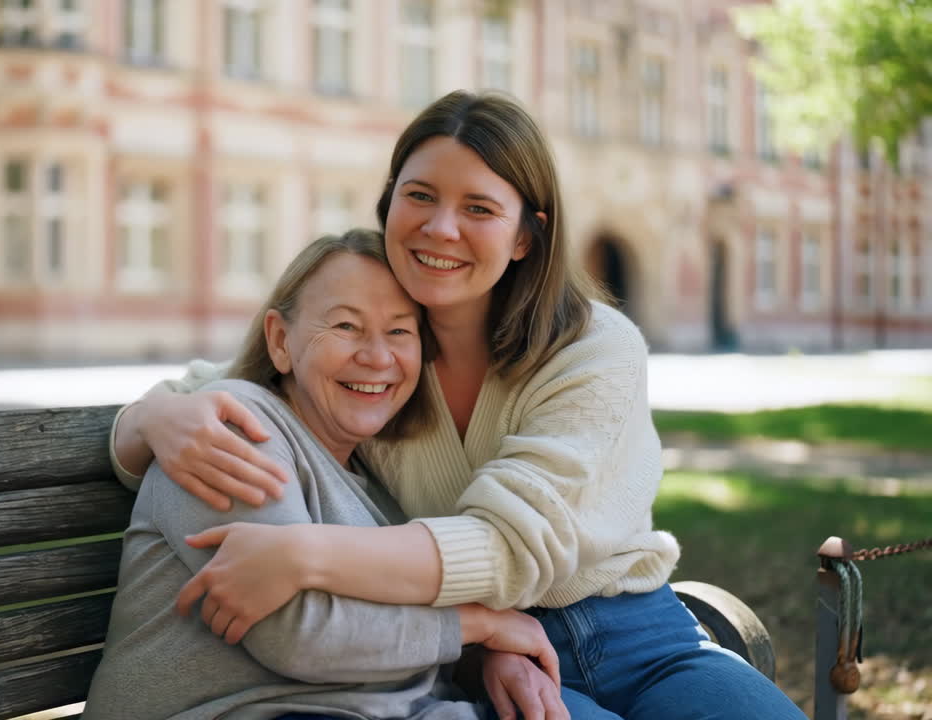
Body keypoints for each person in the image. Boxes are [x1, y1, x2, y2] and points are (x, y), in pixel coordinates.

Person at [108, 91, 807, 720]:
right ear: (389, 206)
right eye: (419, 196)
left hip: (636, 633)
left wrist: (306, 553)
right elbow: (231, 382)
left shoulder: (594, 348)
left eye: (478, 208)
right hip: (473, 654)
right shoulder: (382, 359)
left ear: (526, 236)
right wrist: (151, 419)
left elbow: (508, 547)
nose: (442, 228)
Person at [84, 229, 565, 720]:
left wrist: (481, 657)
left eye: (400, 331)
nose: (377, 357)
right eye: (346, 327)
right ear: (279, 341)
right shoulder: (232, 432)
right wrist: (480, 625)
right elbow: (298, 634)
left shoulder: (378, 475)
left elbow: (392, 634)